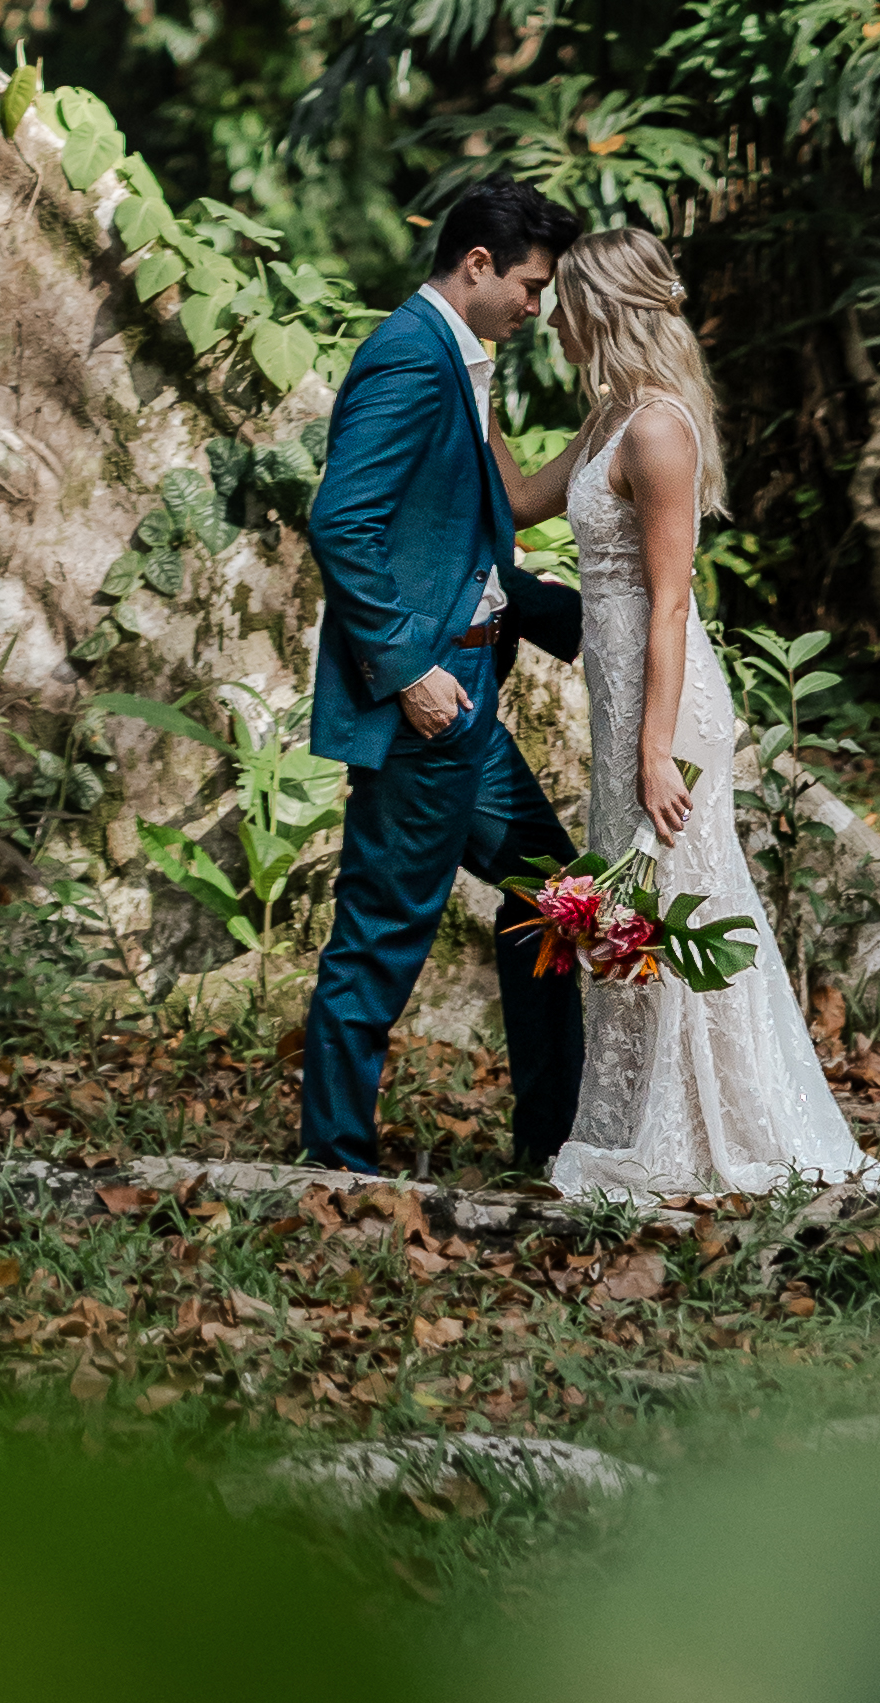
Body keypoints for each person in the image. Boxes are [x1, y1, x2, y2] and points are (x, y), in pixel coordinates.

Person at [544, 223, 864, 1204]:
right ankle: (656, 1116)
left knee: (679, 910)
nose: (550, 319)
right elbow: (514, 501)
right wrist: (471, 388)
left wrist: (655, 751)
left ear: (602, 308)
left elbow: (672, 603)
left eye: (564, 302)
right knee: (637, 913)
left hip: (668, 714)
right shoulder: (607, 420)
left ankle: (717, 1127)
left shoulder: (657, 430)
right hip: (621, 709)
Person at [296, 170, 591, 1178]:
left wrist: (586, 623)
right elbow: (343, 522)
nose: (536, 306)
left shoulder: (456, 356)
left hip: (468, 700)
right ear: (477, 264)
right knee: (380, 935)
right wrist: (407, 671)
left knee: (554, 895)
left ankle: (551, 1141)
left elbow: (473, 537)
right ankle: (337, 1165)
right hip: (430, 705)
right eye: (532, 285)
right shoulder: (411, 358)